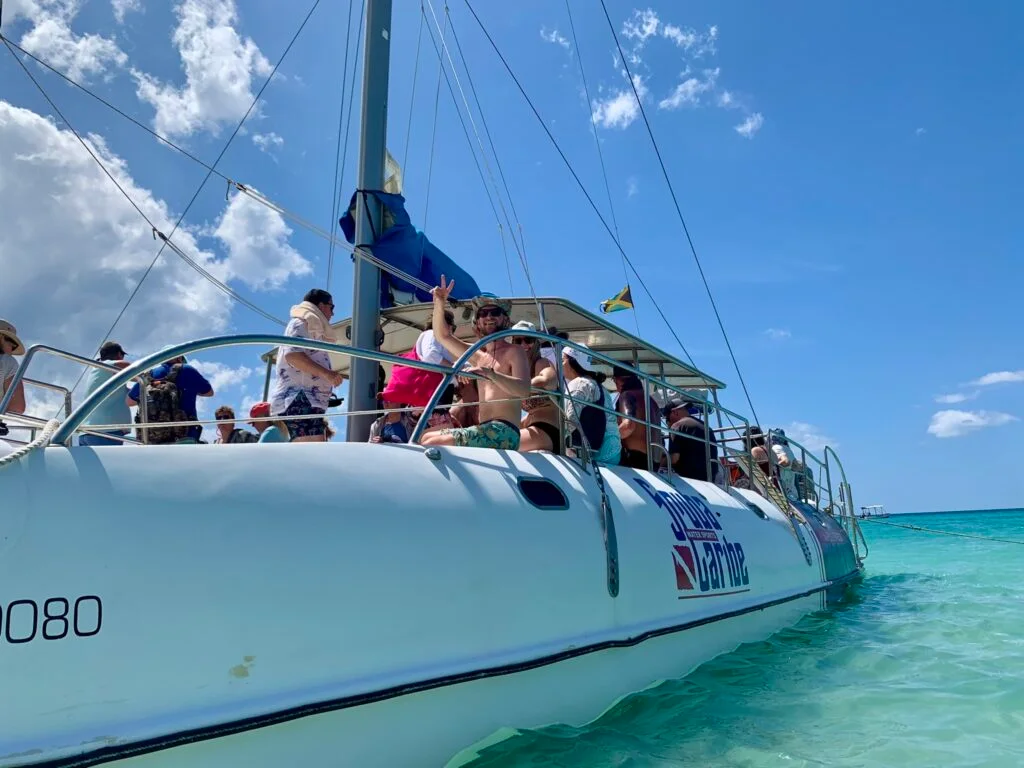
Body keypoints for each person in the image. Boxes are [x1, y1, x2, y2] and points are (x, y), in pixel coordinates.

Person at [419, 279, 529, 450]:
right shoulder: (478, 356)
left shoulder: (514, 351)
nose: (489, 317)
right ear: (477, 322)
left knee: (431, 442)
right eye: (483, 314)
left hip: (504, 432)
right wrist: (440, 303)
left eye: (495, 312)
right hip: (485, 429)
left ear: (505, 319)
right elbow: (443, 336)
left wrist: (491, 374)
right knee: (425, 436)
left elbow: (524, 390)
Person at [271, 288, 344, 442]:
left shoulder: (309, 324)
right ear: (321, 306)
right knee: (310, 451)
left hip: (307, 400)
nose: (333, 313)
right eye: (332, 307)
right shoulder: (301, 323)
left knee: (312, 449)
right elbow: (293, 355)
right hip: (299, 398)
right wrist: (327, 374)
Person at [127, 352, 214, 444]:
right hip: (184, 435)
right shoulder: (187, 369)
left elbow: (129, 401)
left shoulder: (150, 375)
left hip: (152, 437)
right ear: (179, 358)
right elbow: (209, 392)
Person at [561, 343, 620, 465]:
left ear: (571, 362)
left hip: (596, 454)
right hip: (613, 451)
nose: (560, 364)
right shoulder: (601, 387)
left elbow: (570, 420)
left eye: (562, 360)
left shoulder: (578, 384)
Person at [510, 320, 561, 452]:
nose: (523, 344)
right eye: (518, 341)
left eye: (528, 340)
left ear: (536, 343)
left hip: (547, 430)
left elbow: (546, 379)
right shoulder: (515, 371)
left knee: (502, 443)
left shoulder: (541, 362)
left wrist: (514, 386)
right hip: (532, 428)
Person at [80, 341, 133, 446]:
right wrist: (150, 376)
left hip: (89, 432)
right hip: (105, 432)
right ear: (119, 354)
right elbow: (131, 368)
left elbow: (129, 397)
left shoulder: (98, 371)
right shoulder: (107, 365)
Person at [612, 365, 663, 470]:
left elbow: (629, 425)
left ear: (618, 380)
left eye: (614, 380)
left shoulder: (627, 395)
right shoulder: (652, 401)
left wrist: (608, 438)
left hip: (634, 460)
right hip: (655, 462)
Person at [663, 396, 718, 482]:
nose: (667, 421)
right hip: (711, 475)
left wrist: (659, 463)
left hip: (692, 477)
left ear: (675, 412)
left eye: (667, 418)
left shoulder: (677, 426)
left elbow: (674, 458)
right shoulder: (704, 425)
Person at [0, 319, 26, 416]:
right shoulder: (7, 361)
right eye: (12, 344)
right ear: (1, 338)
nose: (11, 351)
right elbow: (17, 407)